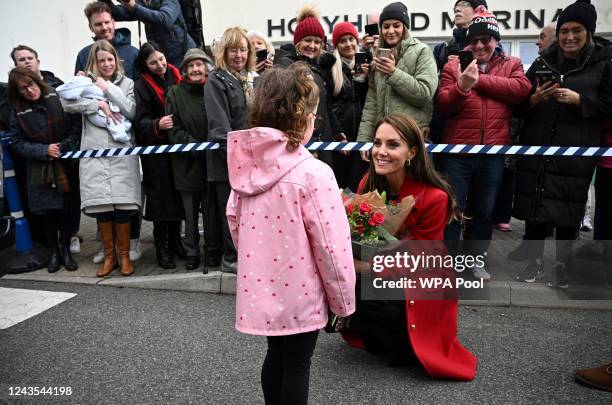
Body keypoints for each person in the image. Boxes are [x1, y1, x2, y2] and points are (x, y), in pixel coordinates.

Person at [226, 63, 356, 405]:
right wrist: (343, 302)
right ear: (301, 117)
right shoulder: (314, 173)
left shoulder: (246, 168)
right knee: (298, 363)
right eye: (313, 114)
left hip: (264, 287)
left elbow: (234, 220)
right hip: (303, 291)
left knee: (276, 355)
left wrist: (258, 263)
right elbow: (332, 246)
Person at [341, 114, 476, 381]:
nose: (381, 151)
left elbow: (419, 258)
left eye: (393, 145)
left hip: (422, 279)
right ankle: (381, 334)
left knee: (368, 294)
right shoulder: (366, 185)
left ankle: (404, 341)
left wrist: (365, 267)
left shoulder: (435, 197)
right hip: (380, 272)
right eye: (377, 143)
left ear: (412, 152)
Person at [513, 0, 612, 288]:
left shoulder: (604, 63)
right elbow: (518, 106)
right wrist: (535, 99)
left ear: (589, 32)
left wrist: (581, 101)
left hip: (576, 151)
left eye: (576, 30)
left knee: (569, 209)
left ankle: (564, 265)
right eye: (564, 30)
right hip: (539, 144)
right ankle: (534, 262)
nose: (569, 37)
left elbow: (609, 106)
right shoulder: (543, 60)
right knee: (534, 206)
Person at [436, 6, 531, 281]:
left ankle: (475, 261)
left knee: (485, 212)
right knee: (452, 209)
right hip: (457, 153)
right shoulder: (453, 66)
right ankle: (449, 262)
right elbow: (442, 104)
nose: (479, 45)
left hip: (493, 153)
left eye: (485, 39)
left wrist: (478, 81)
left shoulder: (512, 64)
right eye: (474, 39)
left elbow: (520, 91)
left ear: (496, 40)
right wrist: (462, 87)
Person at [62, 40, 140, 277]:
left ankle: (124, 256)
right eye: (101, 60)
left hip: (121, 151)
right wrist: (96, 105)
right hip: (94, 152)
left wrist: (108, 89)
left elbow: (131, 110)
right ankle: (109, 257)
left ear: (117, 60)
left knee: (123, 206)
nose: (106, 64)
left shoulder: (127, 83)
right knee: (103, 207)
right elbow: (66, 103)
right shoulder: (83, 83)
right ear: (94, 63)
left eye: (110, 59)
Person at [7, 68, 79, 273]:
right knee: (46, 212)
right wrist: (43, 150)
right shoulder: (17, 109)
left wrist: (63, 146)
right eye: (23, 89)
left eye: (31, 85)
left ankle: (66, 249)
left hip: (65, 161)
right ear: (17, 92)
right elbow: (16, 142)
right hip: (39, 165)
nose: (29, 91)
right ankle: (54, 251)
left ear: (37, 81)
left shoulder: (57, 95)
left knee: (67, 209)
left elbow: (76, 124)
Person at [204, 26, 257, 273]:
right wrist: (239, 155)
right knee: (231, 213)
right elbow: (220, 125)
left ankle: (246, 254)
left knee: (248, 212)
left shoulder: (248, 79)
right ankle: (231, 257)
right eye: (233, 50)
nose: (239, 55)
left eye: (243, 50)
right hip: (228, 160)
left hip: (250, 158)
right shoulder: (216, 80)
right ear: (224, 52)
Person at [356, 1, 438, 158]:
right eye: (386, 26)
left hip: (412, 140)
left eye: (396, 25)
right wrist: (364, 141)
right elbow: (371, 104)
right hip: (384, 142)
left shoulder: (422, 52)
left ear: (405, 28)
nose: (390, 31)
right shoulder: (379, 56)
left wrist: (394, 73)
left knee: (413, 183)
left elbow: (424, 94)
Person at [134, 41, 185, 270]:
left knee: (177, 199)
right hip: (156, 154)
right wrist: (157, 124)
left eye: (161, 59)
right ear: (145, 64)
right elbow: (140, 122)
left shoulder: (177, 77)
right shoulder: (141, 86)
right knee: (161, 202)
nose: (159, 65)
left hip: (177, 150)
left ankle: (176, 241)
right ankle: (162, 248)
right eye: (153, 62)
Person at [274, 5, 342, 168]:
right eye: (308, 40)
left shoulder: (317, 68)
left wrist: (337, 132)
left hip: (322, 142)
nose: (312, 45)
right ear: (297, 42)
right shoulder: (287, 64)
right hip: (300, 142)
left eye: (317, 42)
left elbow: (326, 105)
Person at [166, 48, 209, 270]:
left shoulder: (213, 90)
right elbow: (173, 128)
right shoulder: (174, 93)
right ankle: (192, 250)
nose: (195, 69)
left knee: (211, 212)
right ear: (184, 70)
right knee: (190, 213)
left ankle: (211, 249)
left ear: (206, 68)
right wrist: (195, 146)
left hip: (212, 162)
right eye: (191, 66)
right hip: (187, 162)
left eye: (199, 64)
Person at [329, 22, 369, 191]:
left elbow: (366, 102)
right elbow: (328, 105)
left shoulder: (365, 64)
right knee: (340, 185)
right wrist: (337, 134)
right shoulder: (331, 68)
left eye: (351, 39)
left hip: (360, 135)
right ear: (336, 45)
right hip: (341, 138)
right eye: (342, 41)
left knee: (358, 186)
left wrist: (364, 80)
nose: (348, 44)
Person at [102, 0, 196, 67]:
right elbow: (117, 14)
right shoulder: (141, 3)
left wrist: (134, 7)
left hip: (183, 53)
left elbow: (165, 19)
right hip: (160, 55)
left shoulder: (170, 1)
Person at [76, 1, 139, 80]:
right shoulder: (83, 55)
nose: (104, 28)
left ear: (113, 22)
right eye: (98, 24)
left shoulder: (133, 53)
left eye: (107, 22)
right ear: (90, 27)